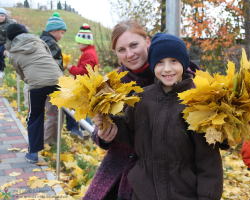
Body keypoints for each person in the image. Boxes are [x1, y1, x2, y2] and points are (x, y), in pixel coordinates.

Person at [94, 32, 224, 199]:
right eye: (160, 62)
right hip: (143, 192)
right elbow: (131, 132)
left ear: (183, 63)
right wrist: (110, 123)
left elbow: (208, 162)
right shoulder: (141, 98)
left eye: (174, 61)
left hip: (183, 193)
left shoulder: (197, 104)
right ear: (153, 65)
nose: (167, 69)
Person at [5, 24, 63, 163]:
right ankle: (69, 133)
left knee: (34, 116)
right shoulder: (39, 41)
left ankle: (33, 154)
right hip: (58, 79)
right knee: (61, 110)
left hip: (36, 85)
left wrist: (33, 81)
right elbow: (50, 58)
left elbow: (21, 74)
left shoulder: (13, 52)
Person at [39, 12, 69, 145]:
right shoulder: (51, 44)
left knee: (52, 113)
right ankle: (48, 142)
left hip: (41, 82)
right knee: (54, 114)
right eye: (61, 33)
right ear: (54, 30)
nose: (62, 36)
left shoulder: (41, 41)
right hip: (52, 85)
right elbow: (55, 66)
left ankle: (51, 140)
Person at [65, 23, 98, 136]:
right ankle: (88, 129)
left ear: (85, 42)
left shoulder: (88, 54)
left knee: (80, 107)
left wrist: (71, 68)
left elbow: (83, 72)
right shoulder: (89, 52)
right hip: (87, 85)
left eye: (79, 42)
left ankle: (88, 129)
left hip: (84, 86)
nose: (78, 45)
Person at [0, 8, 15, 78]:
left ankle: (1, 70)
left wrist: (6, 48)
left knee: (0, 52)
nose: (0, 17)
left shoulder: (9, 24)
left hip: (5, 43)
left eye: (2, 16)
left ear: (5, 16)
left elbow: (8, 37)